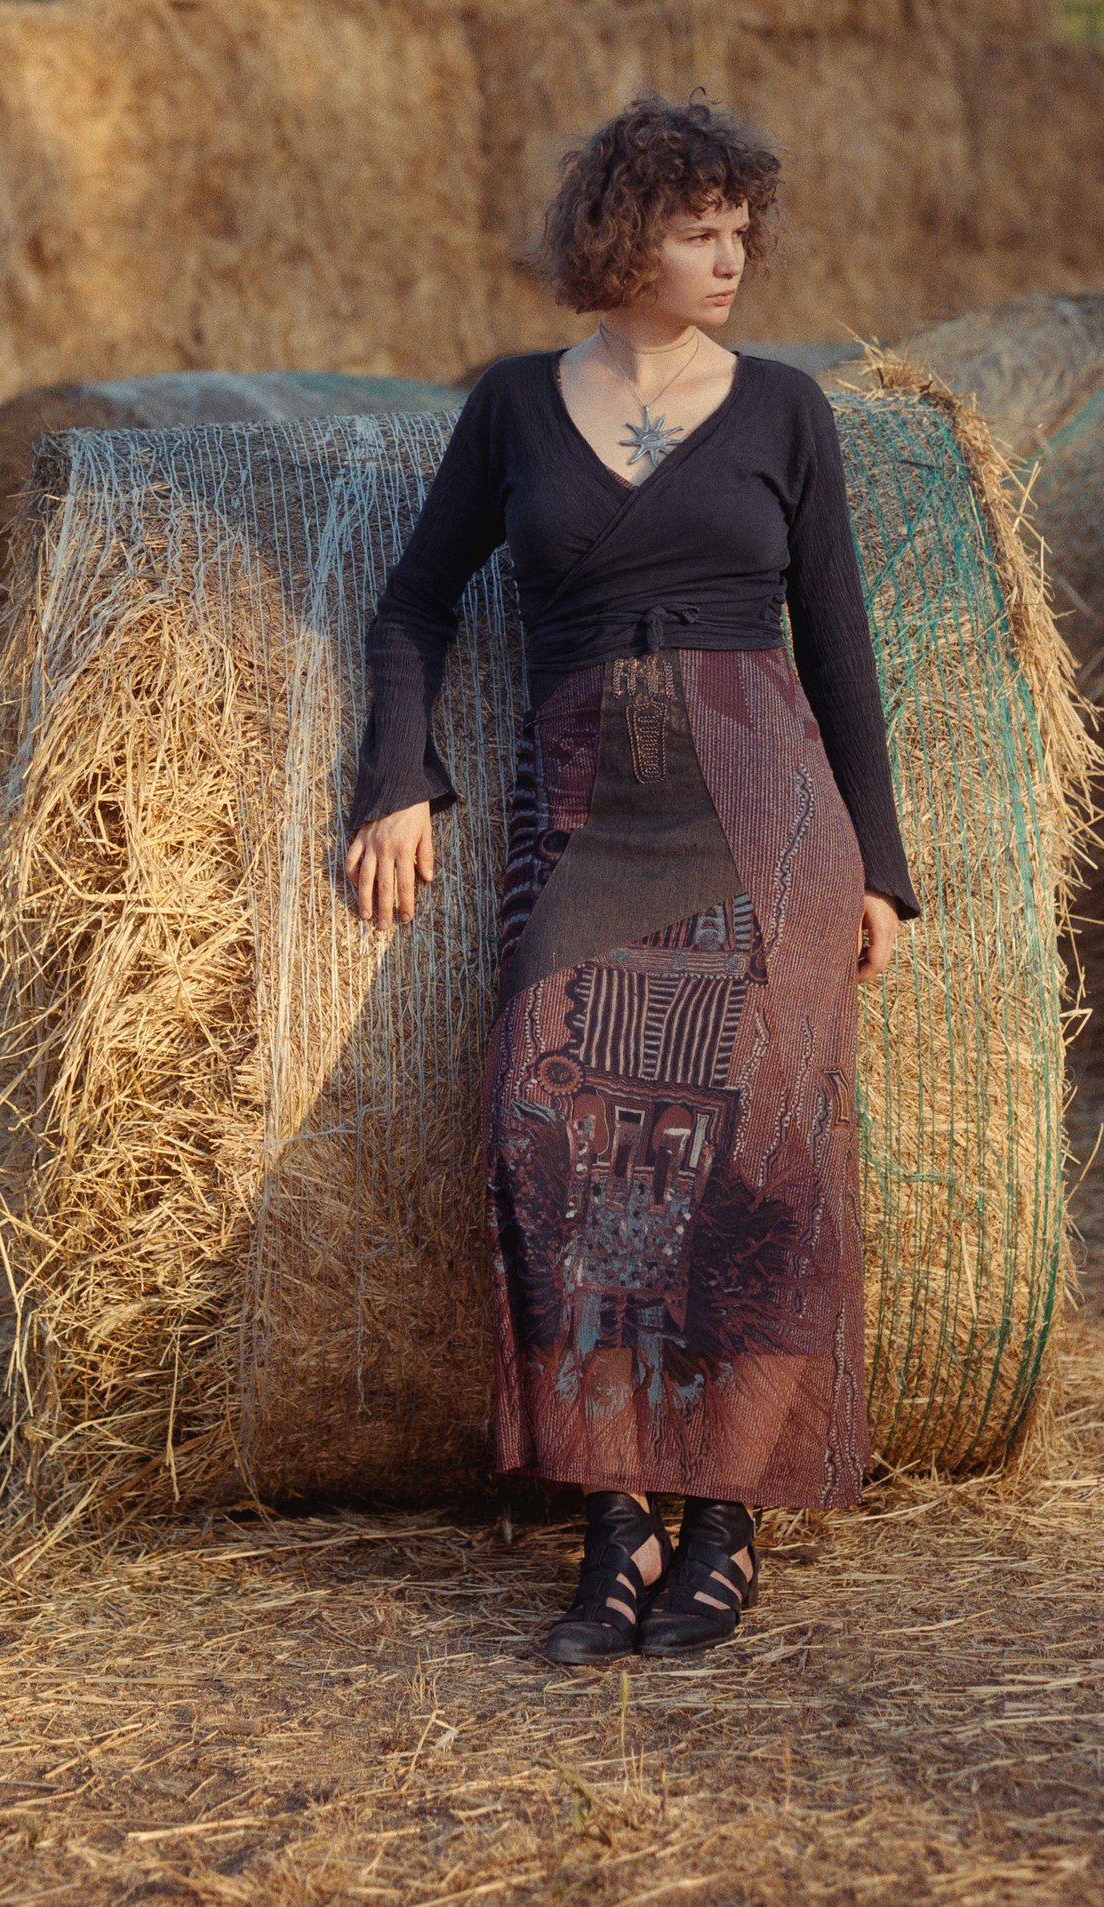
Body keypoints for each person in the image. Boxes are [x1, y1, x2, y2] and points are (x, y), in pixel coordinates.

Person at [345, 93, 915, 1664]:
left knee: (758, 1159)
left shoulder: (786, 410)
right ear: (623, 238)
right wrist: (397, 779)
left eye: (743, 231)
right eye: (699, 231)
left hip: (763, 803)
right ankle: (616, 1517)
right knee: (556, 1137)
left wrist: (880, 869)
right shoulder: (517, 407)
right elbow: (411, 607)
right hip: (584, 805)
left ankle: (726, 1521)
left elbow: (843, 651)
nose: (732, 258)